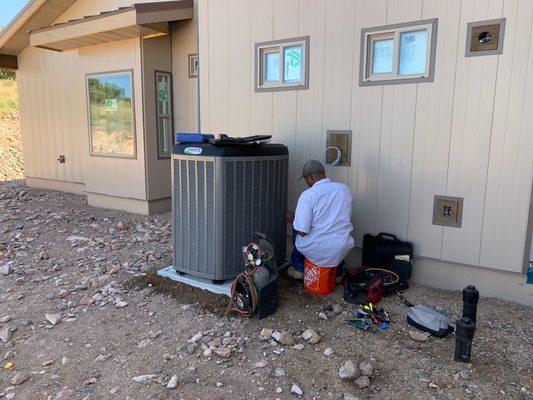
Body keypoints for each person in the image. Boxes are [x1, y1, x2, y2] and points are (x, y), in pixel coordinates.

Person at [286, 159, 354, 283]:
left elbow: (302, 231)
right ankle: (338, 274)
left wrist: (294, 219)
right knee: (335, 234)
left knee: (297, 227)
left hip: (317, 248)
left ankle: (299, 270)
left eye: (306, 179)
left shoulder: (308, 195)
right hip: (341, 246)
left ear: (310, 177)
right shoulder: (344, 189)